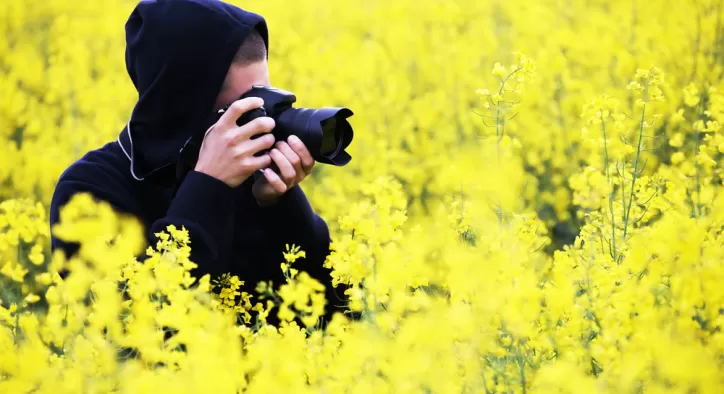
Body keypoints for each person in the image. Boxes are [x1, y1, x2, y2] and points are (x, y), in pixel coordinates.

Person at [49, 0, 345, 325]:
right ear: (180, 103)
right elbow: (131, 333)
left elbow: (337, 318)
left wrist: (283, 209)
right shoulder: (88, 192)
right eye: (240, 108)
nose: (258, 122)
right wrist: (209, 187)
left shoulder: (253, 177)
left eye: (263, 99)